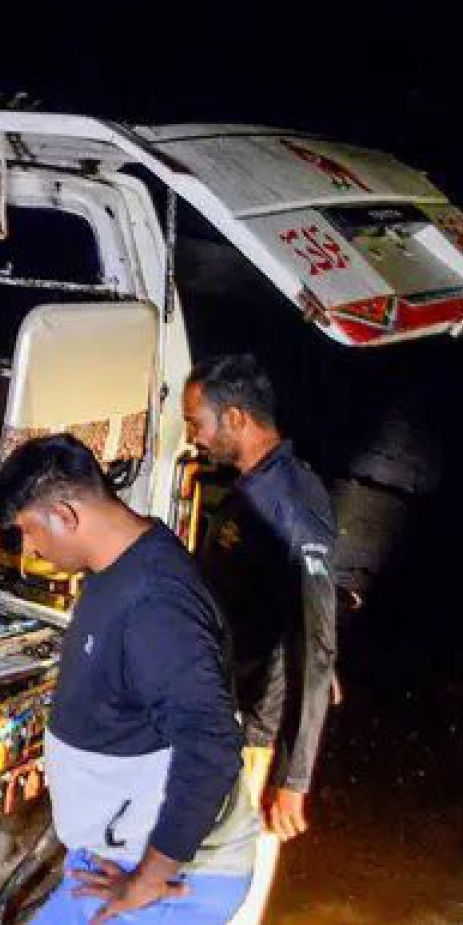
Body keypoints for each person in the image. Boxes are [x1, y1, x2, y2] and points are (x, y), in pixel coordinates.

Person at [0, 435, 258, 925]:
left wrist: (153, 875)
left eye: (28, 530)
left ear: (66, 515)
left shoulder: (155, 605)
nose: (29, 547)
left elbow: (212, 743)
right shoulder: (124, 563)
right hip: (111, 853)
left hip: (165, 881)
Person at [182, 354, 338, 843]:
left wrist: (293, 778)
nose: (192, 437)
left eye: (196, 423)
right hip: (226, 705)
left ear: (235, 418)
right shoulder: (257, 487)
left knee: (228, 855)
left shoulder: (290, 503)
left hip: (254, 729)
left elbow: (314, 643)